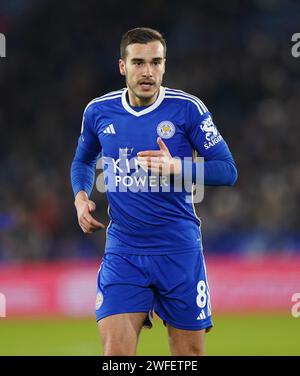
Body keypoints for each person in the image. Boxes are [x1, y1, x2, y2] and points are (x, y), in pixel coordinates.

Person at [70, 27, 237, 356]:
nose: (147, 71)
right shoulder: (98, 112)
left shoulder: (188, 109)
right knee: (117, 356)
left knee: (188, 357)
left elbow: (227, 170)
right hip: (124, 251)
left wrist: (179, 168)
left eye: (156, 62)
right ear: (123, 66)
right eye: (138, 62)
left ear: (164, 65)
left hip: (179, 251)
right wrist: (80, 196)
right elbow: (83, 160)